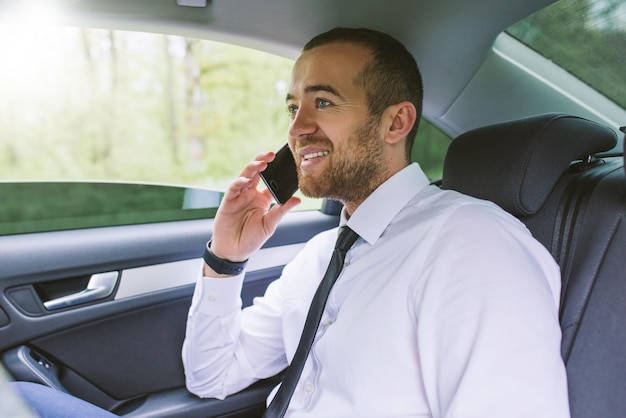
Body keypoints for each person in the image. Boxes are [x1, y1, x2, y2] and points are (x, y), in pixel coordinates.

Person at [182, 27, 571, 417]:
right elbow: (212, 375)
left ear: (396, 123)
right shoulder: (319, 256)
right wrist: (226, 258)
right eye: (292, 107)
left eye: (323, 102)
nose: (296, 128)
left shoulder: (476, 247)